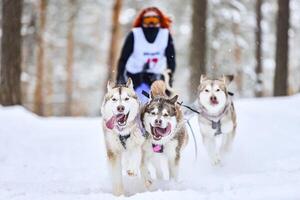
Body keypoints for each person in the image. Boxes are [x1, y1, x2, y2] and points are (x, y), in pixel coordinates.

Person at [116, 7, 176, 103]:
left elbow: (171, 59)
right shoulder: (134, 34)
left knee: (158, 101)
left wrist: (169, 80)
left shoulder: (165, 34)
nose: (151, 22)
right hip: (135, 75)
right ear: (142, 20)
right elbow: (123, 58)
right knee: (139, 100)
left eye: (154, 19)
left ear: (159, 20)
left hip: (157, 76)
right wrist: (120, 79)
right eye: (148, 19)